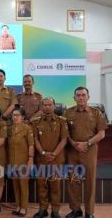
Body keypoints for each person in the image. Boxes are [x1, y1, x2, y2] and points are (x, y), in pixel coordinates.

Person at [63, 87, 107, 218]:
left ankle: (89, 212)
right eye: (78, 95)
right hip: (72, 150)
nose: (81, 97)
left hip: (89, 150)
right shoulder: (67, 113)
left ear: (88, 97)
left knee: (89, 182)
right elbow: (65, 133)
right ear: (74, 97)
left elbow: (101, 134)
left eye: (83, 95)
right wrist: (74, 144)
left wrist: (87, 143)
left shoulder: (97, 113)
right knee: (73, 181)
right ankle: (75, 209)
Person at [31, 98, 68, 218]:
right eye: (45, 105)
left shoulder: (62, 121)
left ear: (54, 106)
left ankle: (55, 210)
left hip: (56, 159)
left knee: (55, 186)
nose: (47, 107)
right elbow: (35, 139)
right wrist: (42, 153)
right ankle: (43, 209)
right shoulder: (36, 122)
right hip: (41, 159)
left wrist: (54, 154)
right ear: (42, 107)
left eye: (49, 105)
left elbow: (64, 139)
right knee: (42, 185)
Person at [8, 108, 34, 217]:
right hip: (12, 161)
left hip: (24, 161)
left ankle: (24, 207)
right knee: (16, 185)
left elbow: (31, 145)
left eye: (18, 115)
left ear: (23, 117)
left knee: (23, 185)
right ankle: (18, 205)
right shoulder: (10, 129)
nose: (15, 117)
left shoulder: (27, 129)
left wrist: (30, 159)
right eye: (14, 115)